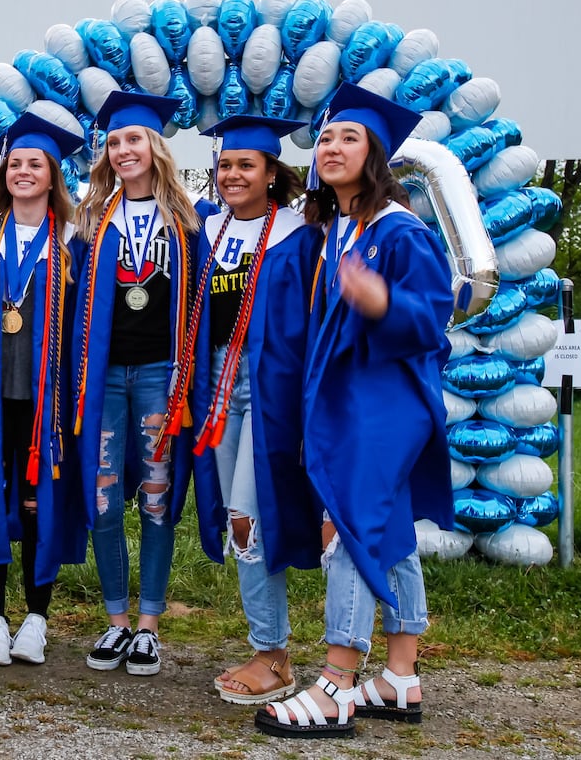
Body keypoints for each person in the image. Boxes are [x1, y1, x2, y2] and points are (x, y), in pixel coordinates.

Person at [256, 83, 454, 739]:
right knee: (387, 529)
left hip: (384, 405)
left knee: (346, 527)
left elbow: (431, 319)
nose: (332, 147)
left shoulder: (399, 231)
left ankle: (337, 683)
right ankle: (399, 674)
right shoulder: (333, 230)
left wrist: (381, 304)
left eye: (350, 137)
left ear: (374, 157)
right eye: (327, 137)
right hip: (348, 403)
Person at [183, 115, 321, 705]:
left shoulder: (298, 235)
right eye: (225, 165)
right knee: (231, 519)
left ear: (272, 173)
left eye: (246, 165)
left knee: (248, 518)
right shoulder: (205, 228)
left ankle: (273, 654)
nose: (233, 174)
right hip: (217, 385)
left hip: (267, 391)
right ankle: (270, 648)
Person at [71, 90, 201, 677]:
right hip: (103, 378)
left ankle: (148, 625)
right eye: (115, 141)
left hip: (159, 375)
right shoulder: (91, 222)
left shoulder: (189, 222)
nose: (125, 150)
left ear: (155, 148)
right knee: (101, 497)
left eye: (135, 140)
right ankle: (116, 620)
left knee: (156, 498)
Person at [0, 111, 87, 666]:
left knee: (40, 504)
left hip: (46, 399)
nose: (24, 171)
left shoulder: (74, 240)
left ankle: (36, 617)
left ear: (53, 175)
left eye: (36, 164)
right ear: (2, 173)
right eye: (15, 163)